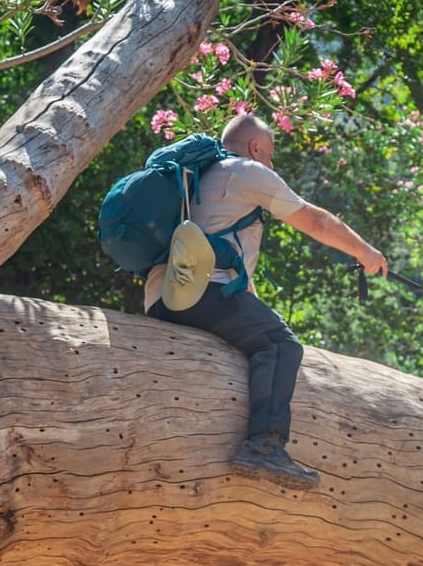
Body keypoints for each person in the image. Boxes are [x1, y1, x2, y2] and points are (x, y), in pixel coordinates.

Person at [145, 114, 388, 489]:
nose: (272, 164)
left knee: (267, 328)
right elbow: (316, 221)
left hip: (163, 297)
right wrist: (365, 251)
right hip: (199, 291)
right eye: (270, 154)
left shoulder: (201, 175)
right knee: (280, 344)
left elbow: (228, 262)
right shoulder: (247, 171)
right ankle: (263, 448)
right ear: (255, 147)